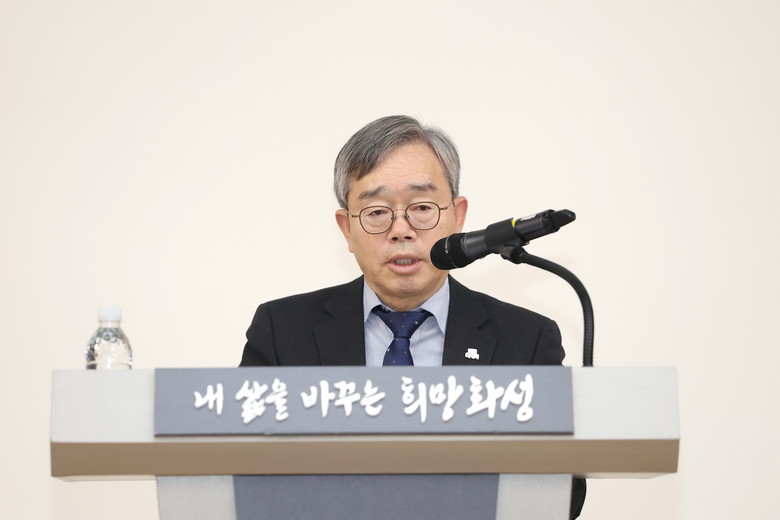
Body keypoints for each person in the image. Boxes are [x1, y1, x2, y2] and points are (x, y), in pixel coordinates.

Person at [240, 115, 585, 518]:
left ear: (458, 216)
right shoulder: (282, 331)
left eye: (421, 208)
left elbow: (563, 494)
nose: (401, 230)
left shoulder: (526, 339)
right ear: (346, 229)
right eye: (376, 212)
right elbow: (247, 476)